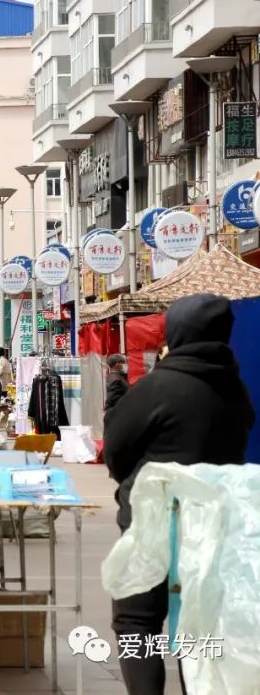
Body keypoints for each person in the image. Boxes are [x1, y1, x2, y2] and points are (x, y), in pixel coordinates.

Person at [104, 294, 254, 695]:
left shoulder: (156, 387)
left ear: (176, 331)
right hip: (212, 525)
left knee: (137, 622)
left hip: (154, 521)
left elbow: (116, 451)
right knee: (198, 622)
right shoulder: (236, 391)